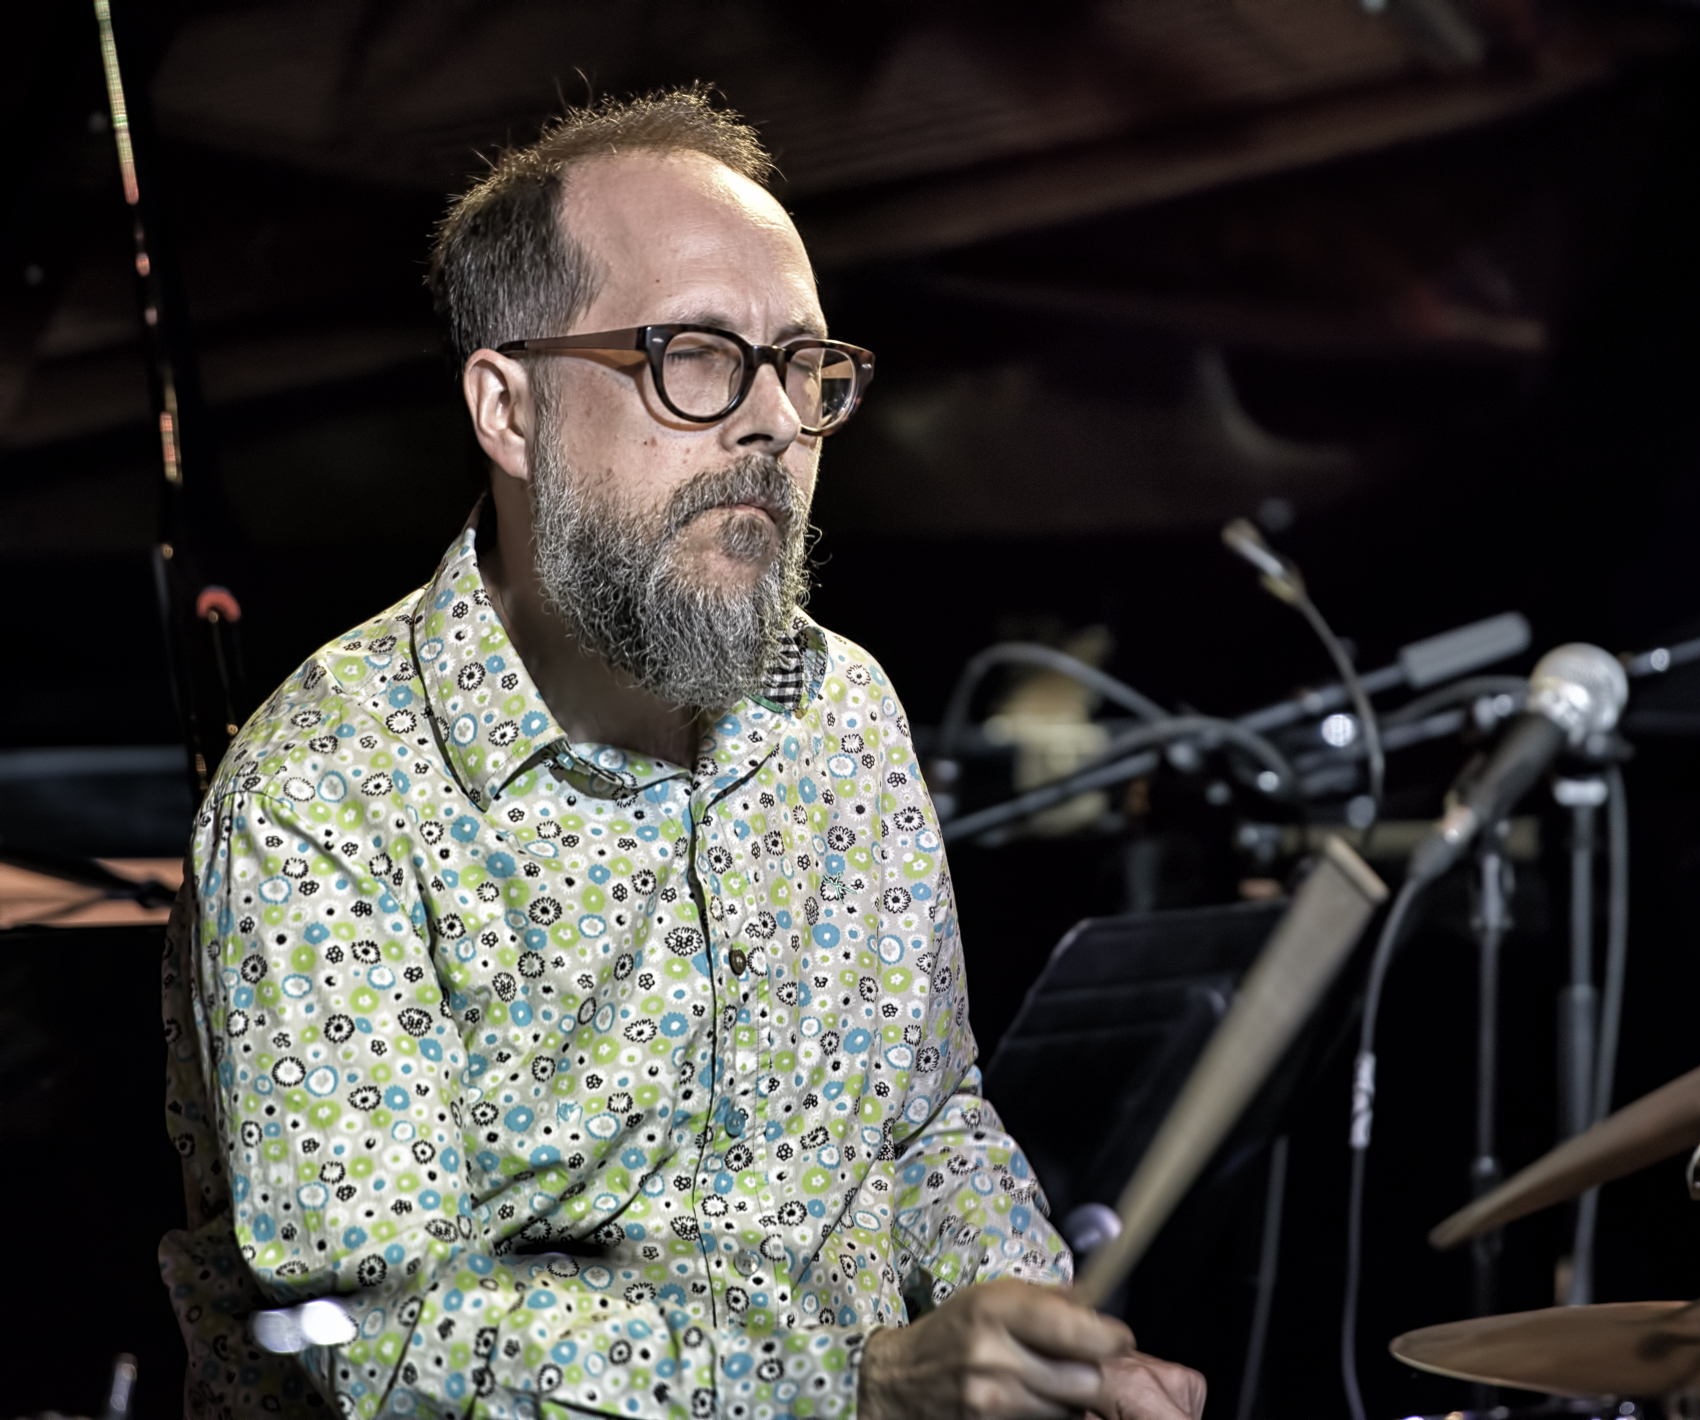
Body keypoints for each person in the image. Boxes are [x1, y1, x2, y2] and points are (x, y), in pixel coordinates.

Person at [159, 87, 1206, 1420]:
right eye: (694, 358)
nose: (772, 422)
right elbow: (387, 1344)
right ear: (508, 410)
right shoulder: (324, 796)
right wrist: (861, 1391)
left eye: (803, 364)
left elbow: (925, 1123)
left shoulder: (842, 718)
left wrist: (1055, 1347)